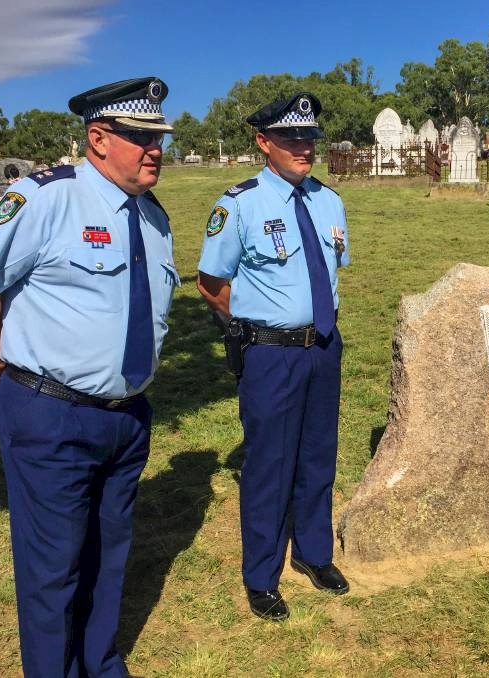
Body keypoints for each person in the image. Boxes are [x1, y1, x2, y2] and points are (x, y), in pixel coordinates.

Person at [0, 77, 179, 676]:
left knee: (109, 557)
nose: (156, 149)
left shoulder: (154, 217)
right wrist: (4, 362)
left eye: (161, 139)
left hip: (126, 418)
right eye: (140, 138)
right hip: (51, 416)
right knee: (53, 570)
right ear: (98, 139)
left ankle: (99, 663)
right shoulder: (46, 198)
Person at [196, 92, 351, 621]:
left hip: (324, 348)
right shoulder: (238, 204)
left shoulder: (329, 200)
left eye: (309, 139)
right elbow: (212, 282)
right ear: (264, 143)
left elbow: (333, 271)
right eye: (291, 139)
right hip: (271, 354)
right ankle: (262, 576)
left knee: (317, 457)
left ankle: (313, 554)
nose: (304, 148)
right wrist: (252, 327)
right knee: (268, 464)